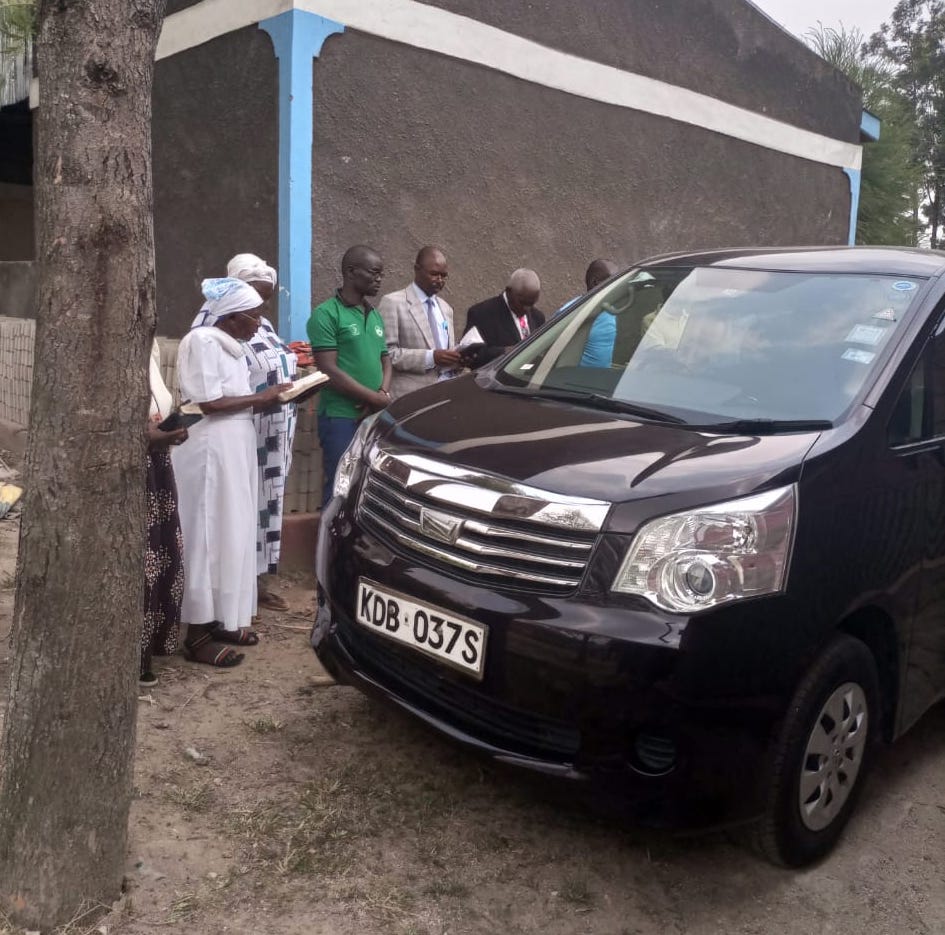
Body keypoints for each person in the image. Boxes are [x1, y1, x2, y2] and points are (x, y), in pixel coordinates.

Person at [173, 278, 291, 667]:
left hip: (235, 445)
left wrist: (286, 395)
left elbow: (236, 401)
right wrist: (265, 396)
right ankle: (198, 633)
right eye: (254, 315)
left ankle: (223, 617)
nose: (259, 322)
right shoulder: (202, 342)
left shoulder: (233, 347)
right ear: (232, 316)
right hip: (210, 449)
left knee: (232, 530)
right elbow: (208, 402)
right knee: (208, 533)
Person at [208, 253, 299, 613]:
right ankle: (235, 586)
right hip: (246, 429)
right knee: (243, 506)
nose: (260, 306)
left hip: (276, 432)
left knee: (267, 506)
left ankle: (259, 579)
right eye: (255, 296)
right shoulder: (214, 328)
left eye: (266, 298)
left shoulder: (264, 326)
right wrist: (263, 396)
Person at [308, 245, 392, 505]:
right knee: (338, 486)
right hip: (341, 418)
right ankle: (327, 544)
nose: (379, 280)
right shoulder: (326, 314)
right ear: (351, 272)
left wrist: (382, 394)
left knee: (366, 488)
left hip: (373, 417)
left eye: (381, 274)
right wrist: (373, 397)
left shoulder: (374, 314)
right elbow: (328, 370)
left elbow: (385, 359)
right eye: (374, 273)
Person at [140, 341, 187, 687]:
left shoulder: (150, 346)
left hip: (157, 463)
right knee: (141, 561)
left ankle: (154, 644)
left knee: (163, 553)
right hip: (129, 468)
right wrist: (148, 435)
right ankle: (131, 659)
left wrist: (170, 433)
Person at [377, 246, 463, 400]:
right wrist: (431, 357)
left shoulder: (446, 308)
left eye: (444, 276)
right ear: (417, 270)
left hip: (445, 394)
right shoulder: (393, 303)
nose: (440, 280)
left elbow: (445, 354)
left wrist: (458, 360)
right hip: (409, 398)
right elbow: (386, 354)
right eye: (434, 274)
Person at [463, 268, 545, 367]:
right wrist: (504, 352)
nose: (527, 309)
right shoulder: (481, 313)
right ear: (509, 292)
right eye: (522, 303)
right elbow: (469, 354)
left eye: (531, 303)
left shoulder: (538, 317)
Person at [578, 258, 621, 368]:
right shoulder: (573, 313)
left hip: (602, 380)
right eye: (613, 281)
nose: (617, 286)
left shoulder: (611, 310)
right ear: (595, 282)